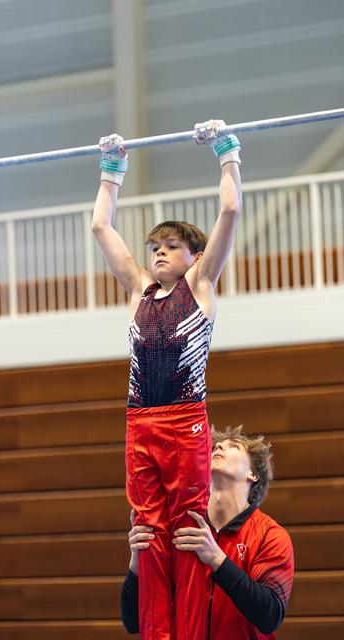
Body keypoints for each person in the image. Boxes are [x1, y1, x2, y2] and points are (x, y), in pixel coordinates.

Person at [92, 120, 242, 640]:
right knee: (148, 536)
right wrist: (113, 168)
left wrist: (225, 149)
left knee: (186, 533)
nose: (158, 252)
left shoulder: (200, 285)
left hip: (183, 424)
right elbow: (100, 229)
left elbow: (229, 210)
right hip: (139, 424)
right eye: (155, 245)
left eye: (172, 246)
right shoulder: (138, 288)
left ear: (194, 257)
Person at [121, 426, 295, 640]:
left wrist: (216, 559)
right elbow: (133, 622)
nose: (219, 446)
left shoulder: (271, 535)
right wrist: (137, 565)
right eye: (215, 446)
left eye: (234, 446)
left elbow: (270, 616)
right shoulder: (178, 527)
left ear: (253, 475)